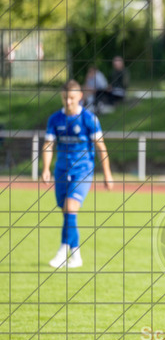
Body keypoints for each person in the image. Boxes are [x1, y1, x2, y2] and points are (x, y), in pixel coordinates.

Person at [42, 79, 114, 268]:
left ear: (80, 96)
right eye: (65, 98)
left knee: (70, 207)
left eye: (72, 98)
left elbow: (101, 147)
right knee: (67, 212)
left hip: (83, 170)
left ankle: (62, 252)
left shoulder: (89, 119)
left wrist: (107, 174)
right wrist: (46, 168)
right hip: (61, 170)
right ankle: (76, 255)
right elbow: (48, 145)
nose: (68, 102)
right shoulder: (55, 119)